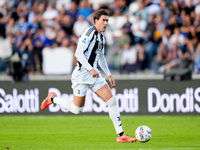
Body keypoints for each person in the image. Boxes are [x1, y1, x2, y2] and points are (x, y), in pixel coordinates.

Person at [41, 9, 137, 143]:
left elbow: (101, 57)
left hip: (94, 75)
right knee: (77, 109)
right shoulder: (89, 33)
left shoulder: (102, 37)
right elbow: (78, 54)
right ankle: (53, 99)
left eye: (107, 21)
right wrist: (91, 69)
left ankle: (120, 135)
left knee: (111, 101)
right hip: (81, 75)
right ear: (96, 21)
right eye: (103, 20)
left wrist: (109, 75)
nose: (105, 23)